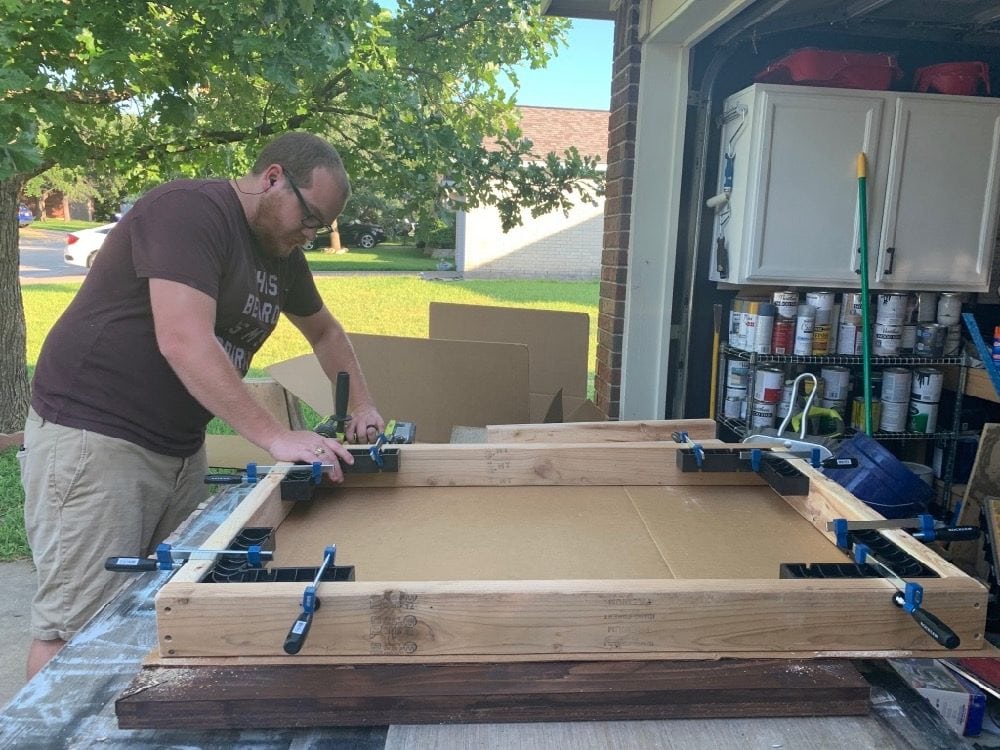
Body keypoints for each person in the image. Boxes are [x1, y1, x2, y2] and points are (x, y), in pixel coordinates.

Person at [20, 131, 384, 679]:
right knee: (76, 629)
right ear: (272, 178)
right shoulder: (188, 211)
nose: (310, 235)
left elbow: (326, 332)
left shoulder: (281, 254)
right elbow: (184, 339)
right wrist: (276, 436)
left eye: (320, 228)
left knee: (167, 610)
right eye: (309, 219)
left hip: (176, 445)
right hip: (97, 438)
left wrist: (363, 406)